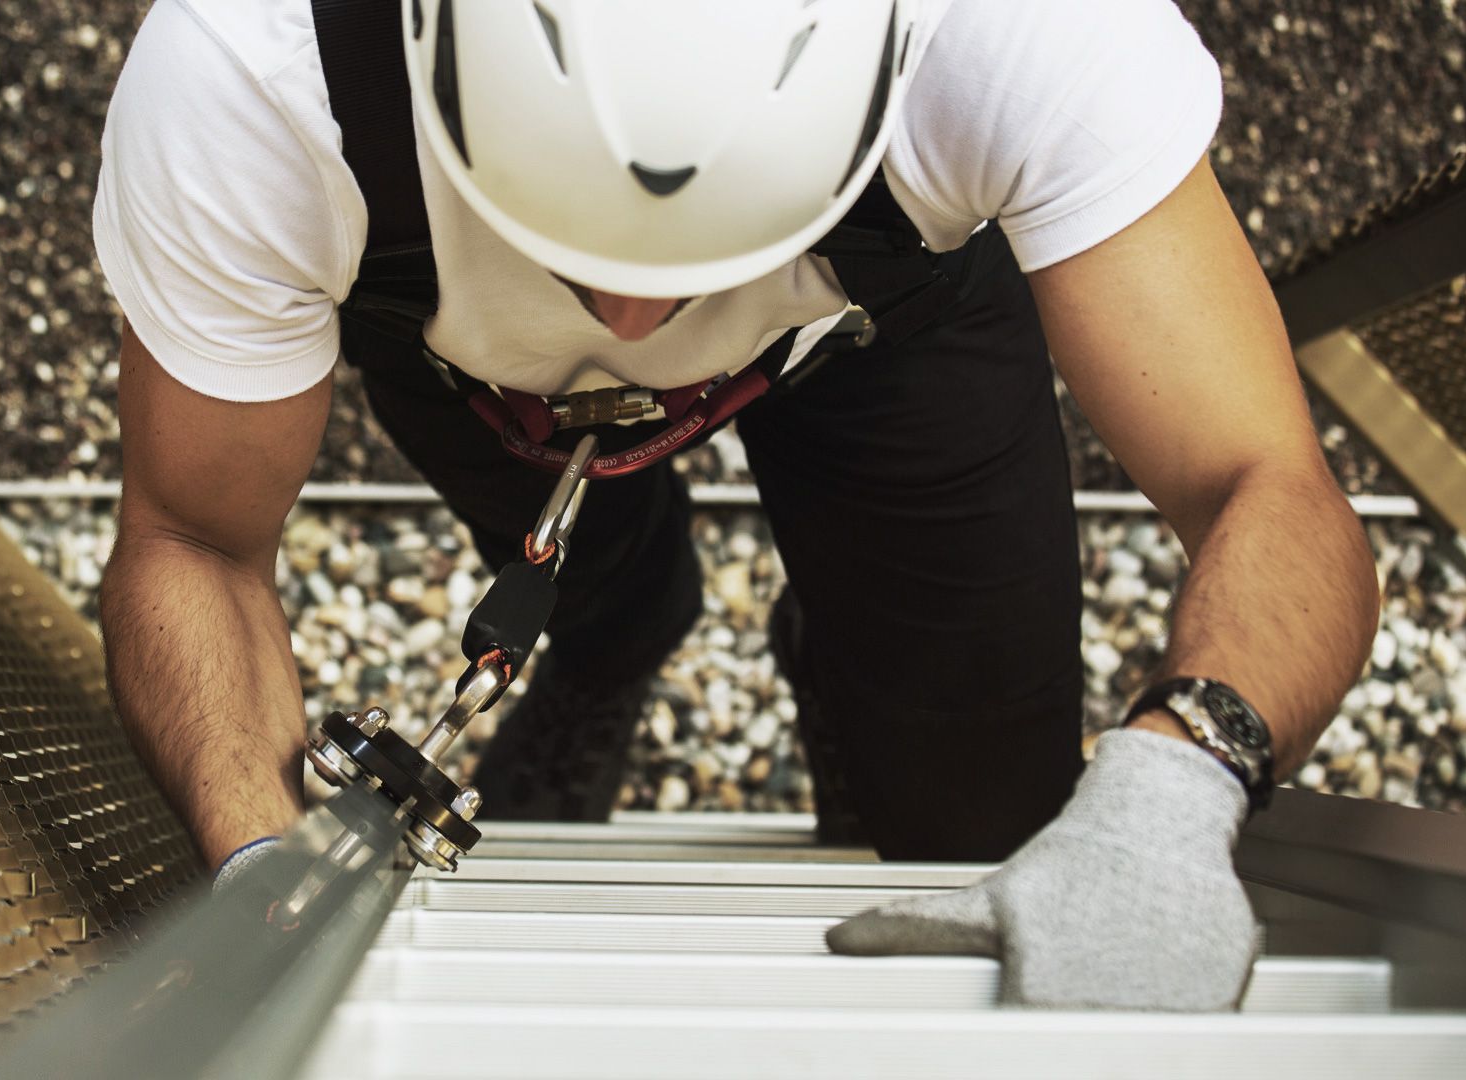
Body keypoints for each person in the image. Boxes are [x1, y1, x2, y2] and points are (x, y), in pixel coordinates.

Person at [91, 0, 1378, 1009]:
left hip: (874, 322)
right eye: (566, 241)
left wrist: (1180, 779)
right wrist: (263, 873)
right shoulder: (257, 79)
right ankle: (621, 627)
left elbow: (1265, 483)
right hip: (462, 353)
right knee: (606, 592)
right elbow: (195, 540)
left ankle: (842, 636)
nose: (640, 327)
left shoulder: (1017, 32)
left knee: (976, 823)